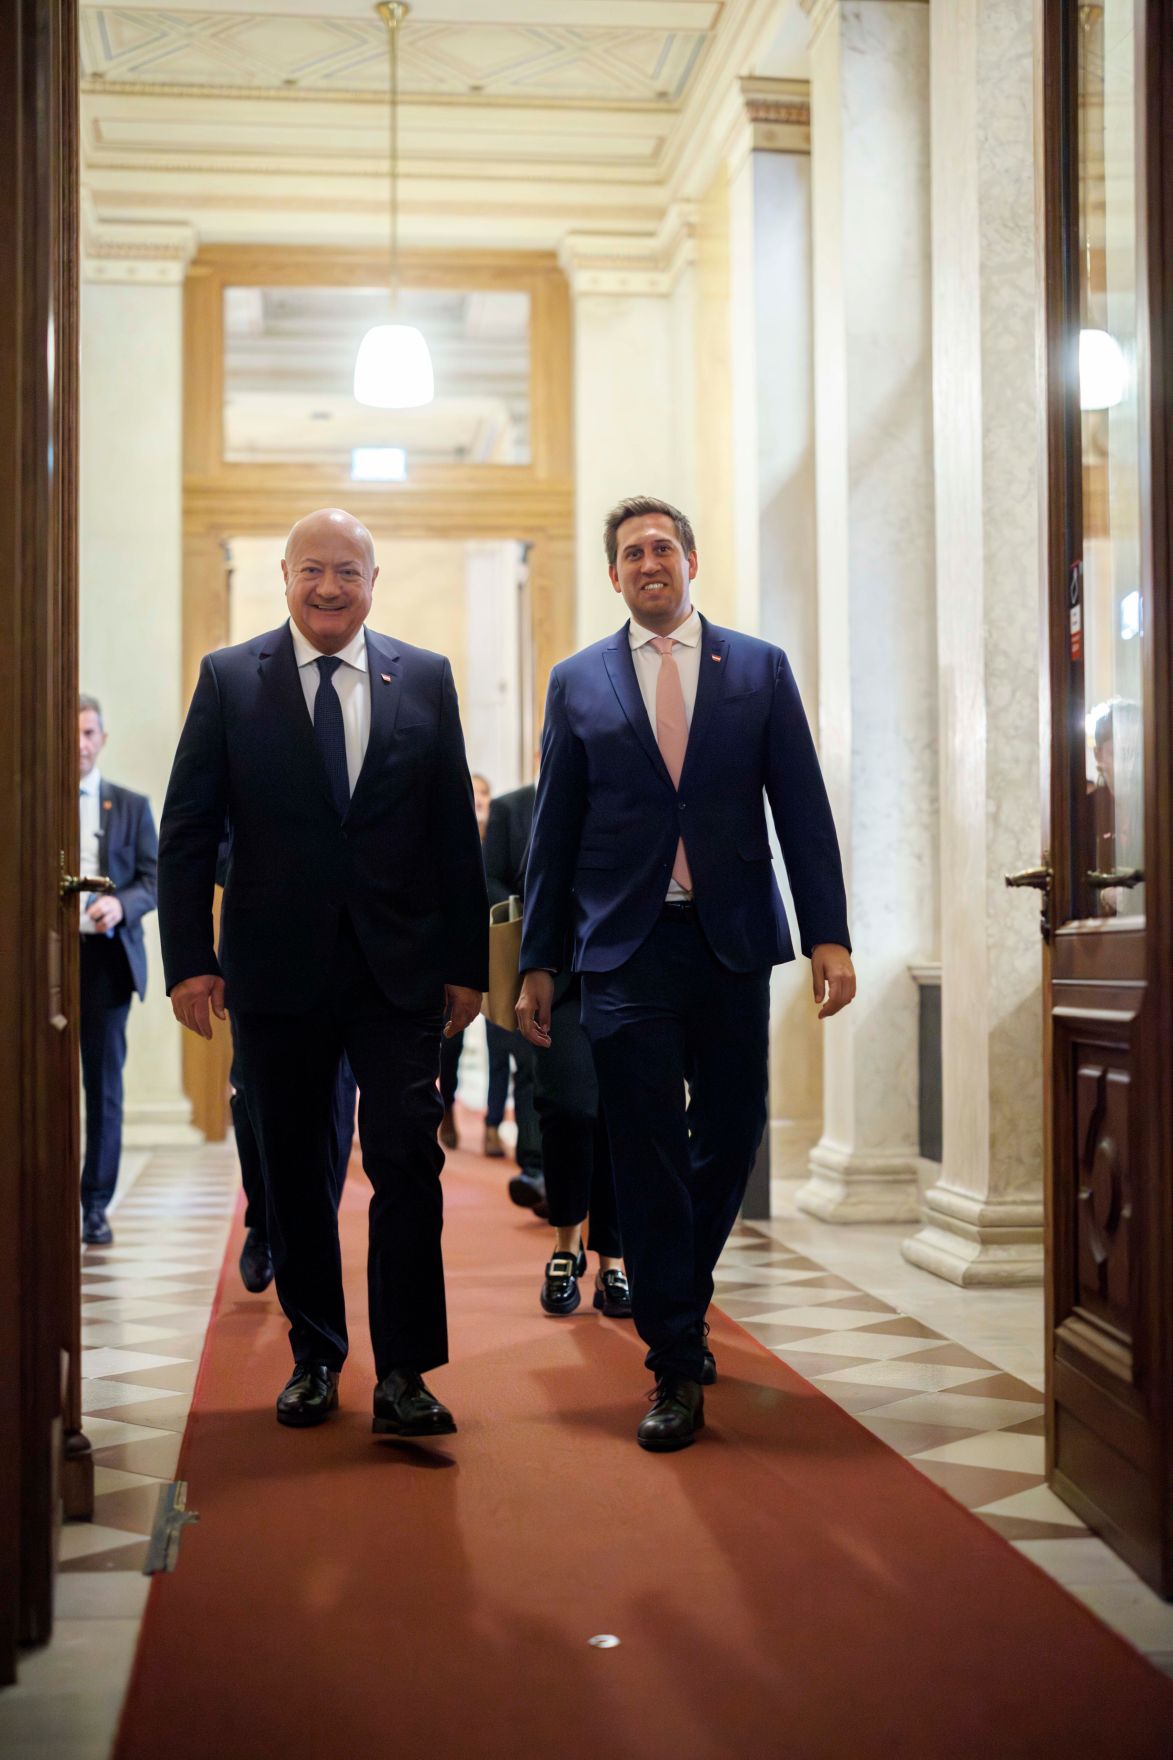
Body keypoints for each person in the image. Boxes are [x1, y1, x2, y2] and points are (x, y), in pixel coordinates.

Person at [517, 495, 855, 1452]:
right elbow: (554, 834)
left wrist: (829, 933)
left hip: (730, 939)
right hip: (622, 947)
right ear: (613, 576)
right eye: (630, 552)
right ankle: (672, 1358)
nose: (648, 562)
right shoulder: (577, 681)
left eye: (662, 546)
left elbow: (801, 807)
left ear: (691, 562)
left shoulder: (756, 668)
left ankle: (679, 1291)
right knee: (645, 1146)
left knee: (734, 1127)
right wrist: (540, 960)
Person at [158, 507, 488, 1438]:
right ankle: (314, 1357)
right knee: (298, 1173)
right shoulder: (230, 679)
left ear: (373, 581)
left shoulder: (423, 677)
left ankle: (407, 1374)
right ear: (286, 575)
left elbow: (450, 839)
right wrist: (190, 960)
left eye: (348, 570)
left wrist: (466, 965)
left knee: (405, 1167)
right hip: (276, 976)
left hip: (398, 978)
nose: (330, 587)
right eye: (313, 570)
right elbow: (186, 832)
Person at [77, 694, 158, 1248]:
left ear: (103, 738)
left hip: (107, 963)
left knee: (103, 1086)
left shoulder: (128, 805)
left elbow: (154, 879)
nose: (79, 744)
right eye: (71, 733)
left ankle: (95, 1206)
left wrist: (121, 906)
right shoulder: (34, 804)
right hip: (44, 963)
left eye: (88, 733)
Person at [437, 772, 512, 1157]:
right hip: (460, 953)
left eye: (485, 795)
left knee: (501, 1044)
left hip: (500, 953)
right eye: (475, 795)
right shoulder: (453, 838)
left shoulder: (502, 834)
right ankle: (446, 1107)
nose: (479, 802)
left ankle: (493, 1124)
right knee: (451, 1042)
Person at [483, 780, 546, 1209]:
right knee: (527, 1064)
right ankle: (536, 1166)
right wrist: (527, 907)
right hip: (523, 953)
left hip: (587, 955)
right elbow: (488, 877)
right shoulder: (511, 807)